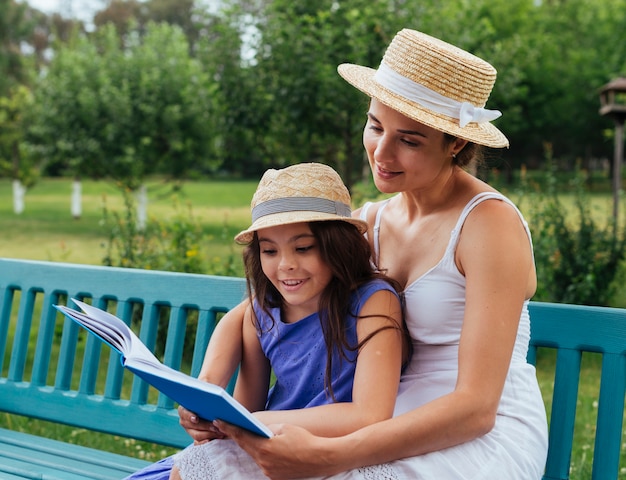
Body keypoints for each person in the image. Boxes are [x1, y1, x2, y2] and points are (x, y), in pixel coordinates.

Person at [203, 28, 549, 479]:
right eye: (374, 126)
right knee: (211, 464)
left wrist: (332, 455)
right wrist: (208, 392)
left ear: (457, 143)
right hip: (388, 413)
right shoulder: (370, 221)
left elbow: (476, 409)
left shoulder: (489, 225)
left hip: (477, 435)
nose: (381, 153)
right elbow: (256, 308)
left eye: (409, 140)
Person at [140, 162, 406, 480]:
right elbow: (247, 407)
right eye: (269, 250)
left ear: (339, 246)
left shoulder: (372, 302)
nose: (286, 265)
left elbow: (369, 415)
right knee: (190, 470)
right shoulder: (264, 314)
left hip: (342, 454)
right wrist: (210, 412)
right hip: (270, 448)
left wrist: (263, 421)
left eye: (303, 247)